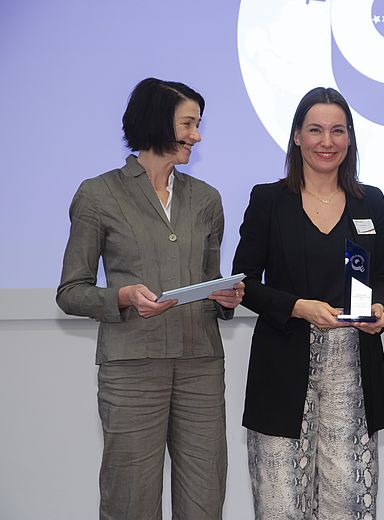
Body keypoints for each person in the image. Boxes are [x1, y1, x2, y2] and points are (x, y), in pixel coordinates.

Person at [56, 77, 244, 519]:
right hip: (132, 369)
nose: (196, 135)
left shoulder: (207, 199)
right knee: (130, 500)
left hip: (200, 364)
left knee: (205, 497)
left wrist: (225, 298)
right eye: (188, 123)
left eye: (198, 124)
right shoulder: (98, 194)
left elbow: (211, 280)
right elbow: (70, 291)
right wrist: (120, 297)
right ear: (158, 122)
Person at [232, 87, 384, 519]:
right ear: (297, 136)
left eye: (338, 131)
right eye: (316, 130)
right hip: (283, 367)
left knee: (349, 500)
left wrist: (380, 309)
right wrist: (298, 307)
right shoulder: (270, 199)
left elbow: (380, 277)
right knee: (281, 501)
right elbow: (243, 283)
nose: (327, 141)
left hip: (353, 369)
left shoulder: (370, 201)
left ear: (350, 138)